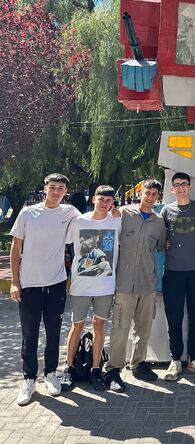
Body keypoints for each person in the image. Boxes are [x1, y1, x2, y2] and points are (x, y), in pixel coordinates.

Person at [10, 173, 81, 406]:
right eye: (53, 187)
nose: (57, 191)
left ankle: (50, 373)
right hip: (30, 284)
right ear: (45, 188)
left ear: (65, 191)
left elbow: (91, 223)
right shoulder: (28, 213)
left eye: (61, 188)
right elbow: (15, 247)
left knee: (53, 332)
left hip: (57, 283)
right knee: (29, 334)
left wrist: (115, 214)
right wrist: (14, 282)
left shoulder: (69, 212)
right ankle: (29, 379)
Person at [104, 179, 166, 392]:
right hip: (124, 283)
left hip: (147, 283)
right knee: (120, 328)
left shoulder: (159, 222)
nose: (150, 197)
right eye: (147, 193)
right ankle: (113, 369)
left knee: (144, 328)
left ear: (158, 196)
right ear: (141, 193)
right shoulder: (123, 214)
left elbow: (161, 246)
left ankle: (138, 364)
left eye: (154, 194)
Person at [61, 185, 121, 391]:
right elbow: (64, 243)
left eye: (108, 200)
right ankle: (68, 368)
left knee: (99, 326)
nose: (104, 203)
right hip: (80, 285)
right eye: (101, 199)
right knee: (76, 326)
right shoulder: (78, 221)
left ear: (112, 202)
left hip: (105, 285)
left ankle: (96, 368)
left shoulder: (117, 221)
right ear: (93, 199)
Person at [160, 172, 195, 381]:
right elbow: (160, 237)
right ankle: (176, 359)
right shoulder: (166, 210)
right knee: (174, 316)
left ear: (190, 187)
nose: (181, 187)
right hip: (172, 272)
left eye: (184, 184)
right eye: (177, 185)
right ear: (172, 189)